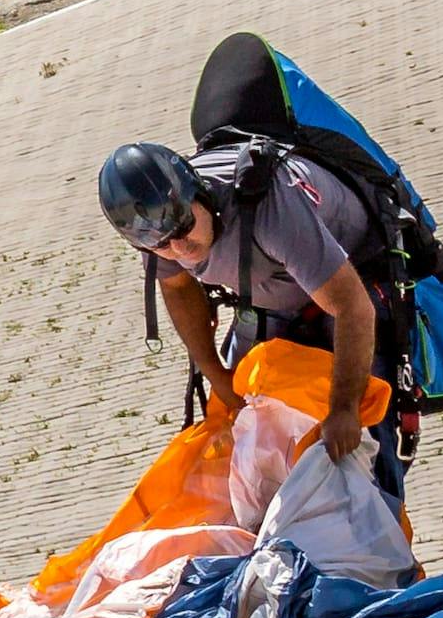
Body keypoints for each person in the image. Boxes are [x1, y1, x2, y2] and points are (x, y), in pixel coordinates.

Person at [96, 132, 396, 500]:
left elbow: (353, 307)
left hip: (353, 284)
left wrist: (345, 410)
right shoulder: (153, 227)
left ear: (198, 194)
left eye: (184, 229)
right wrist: (217, 374)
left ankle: (385, 529)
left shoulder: (269, 206)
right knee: (246, 429)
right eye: (161, 246)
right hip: (272, 295)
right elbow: (176, 288)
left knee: (360, 438)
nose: (180, 249)